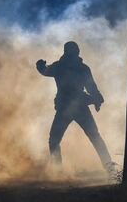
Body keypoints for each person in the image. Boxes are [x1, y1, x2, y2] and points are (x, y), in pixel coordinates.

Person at [36, 41, 113, 173]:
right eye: (71, 51)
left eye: (73, 51)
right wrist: (41, 67)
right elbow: (91, 87)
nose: (72, 53)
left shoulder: (66, 67)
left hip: (71, 108)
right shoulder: (75, 67)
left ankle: (109, 167)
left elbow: (91, 87)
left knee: (56, 139)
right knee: (93, 136)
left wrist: (97, 98)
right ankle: (109, 168)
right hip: (72, 108)